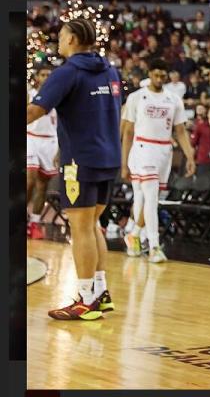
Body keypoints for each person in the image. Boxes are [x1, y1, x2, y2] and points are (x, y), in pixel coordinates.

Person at [27, 19, 122, 319]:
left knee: (80, 229)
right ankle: (100, 292)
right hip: (109, 157)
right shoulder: (110, 70)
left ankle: (85, 299)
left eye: (61, 36)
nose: (58, 41)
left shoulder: (67, 72)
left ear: (72, 39)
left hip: (80, 160)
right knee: (92, 226)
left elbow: (34, 110)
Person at [121, 59, 196, 262]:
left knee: (145, 199)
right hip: (143, 147)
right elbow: (127, 132)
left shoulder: (174, 100)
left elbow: (180, 131)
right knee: (150, 199)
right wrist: (123, 161)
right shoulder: (137, 97)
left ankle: (134, 235)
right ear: (150, 73)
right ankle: (154, 246)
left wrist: (189, 156)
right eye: (156, 74)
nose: (160, 78)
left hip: (164, 150)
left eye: (163, 75)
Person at [27, 66, 59, 239]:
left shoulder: (59, 97)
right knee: (29, 179)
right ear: (37, 77)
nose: (46, 77)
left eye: (49, 75)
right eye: (43, 74)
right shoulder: (29, 94)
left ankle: (35, 221)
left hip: (50, 141)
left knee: (42, 185)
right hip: (30, 137)